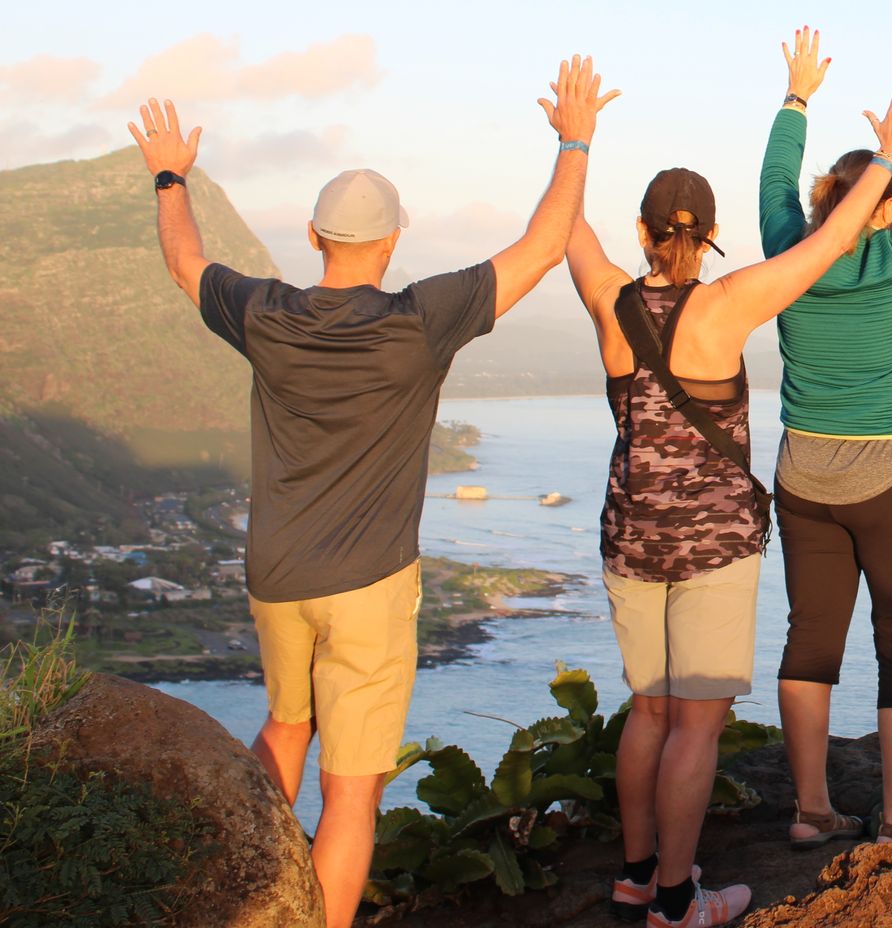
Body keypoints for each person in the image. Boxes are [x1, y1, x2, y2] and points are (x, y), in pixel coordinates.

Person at [127, 57, 618, 928]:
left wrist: (171, 173)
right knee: (351, 797)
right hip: (369, 587)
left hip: (276, 578)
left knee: (285, 728)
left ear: (316, 239)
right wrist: (574, 137)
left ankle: (227, 886)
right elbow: (544, 247)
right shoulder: (419, 322)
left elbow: (183, 260)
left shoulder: (265, 313)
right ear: (392, 242)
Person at [566, 78, 892, 926]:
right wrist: (886, 157)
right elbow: (835, 236)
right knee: (696, 725)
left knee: (649, 713)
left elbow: (563, 229)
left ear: (644, 234)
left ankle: (632, 876)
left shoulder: (609, 301)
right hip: (713, 550)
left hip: (630, 540)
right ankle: (675, 901)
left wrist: (574, 142)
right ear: (711, 239)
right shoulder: (727, 305)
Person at [758, 27, 892, 848]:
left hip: (805, 478)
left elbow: (774, 179)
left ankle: (810, 808)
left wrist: (796, 96)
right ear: (883, 205)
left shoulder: (790, 254)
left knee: (810, 638)